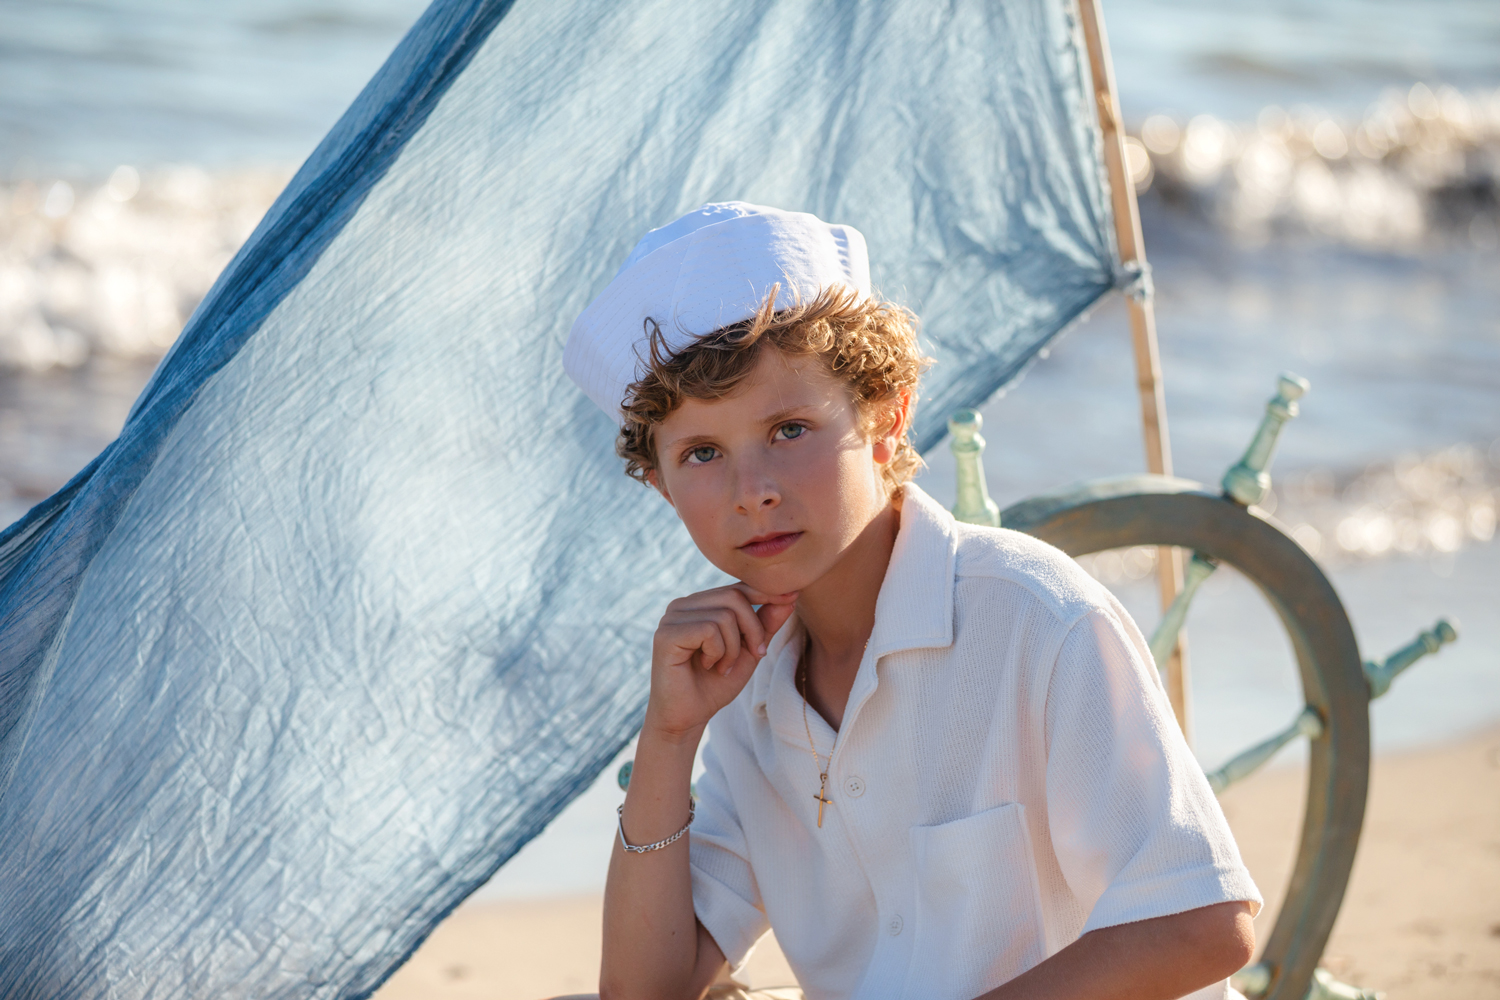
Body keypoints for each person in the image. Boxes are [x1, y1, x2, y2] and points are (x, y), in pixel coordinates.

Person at [559, 202, 1262, 1000]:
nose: (751, 492)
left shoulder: (1036, 616)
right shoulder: (747, 687)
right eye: (702, 452)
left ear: (886, 416)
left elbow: (1204, 923)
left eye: (789, 429)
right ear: (660, 483)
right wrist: (669, 735)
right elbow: (643, 991)